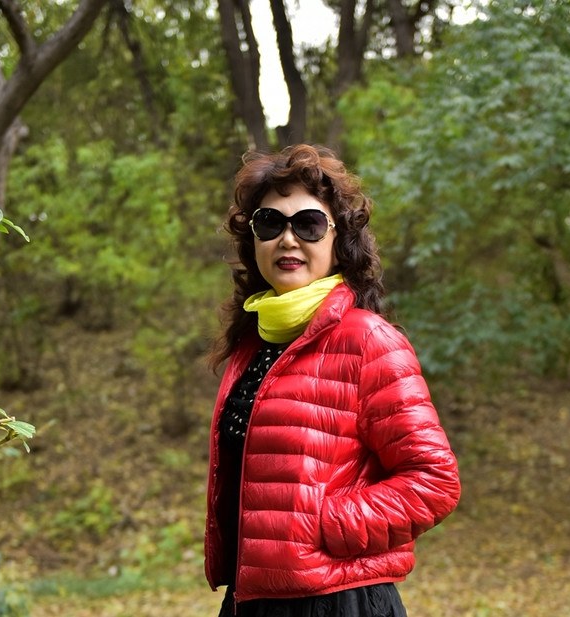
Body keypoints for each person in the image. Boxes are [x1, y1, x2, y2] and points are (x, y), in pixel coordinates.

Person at [205, 144, 461, 617]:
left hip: (339, 601)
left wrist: (325, 524)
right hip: (250, 601)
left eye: (308, 224)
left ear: (338, 240)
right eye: (270, 223)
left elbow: (434, 481)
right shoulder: (252, 344)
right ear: (253, 240)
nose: (287, 239)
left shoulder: (368, 341)